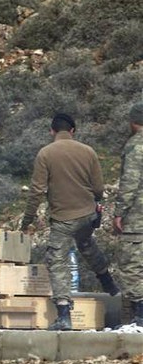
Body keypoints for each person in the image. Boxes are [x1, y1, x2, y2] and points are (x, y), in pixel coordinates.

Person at [21, 113, 119, 331]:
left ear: (52, 131)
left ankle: (64, 313)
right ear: (73, 131)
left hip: (63, 218)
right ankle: (108, 283)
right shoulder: (88, 151)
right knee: (86, 244)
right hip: (87, 215)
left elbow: (37, 191)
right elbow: (98, 190)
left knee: (57, 261)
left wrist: (27, 219)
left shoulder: (45, 153)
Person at [113, 102, 143, 326]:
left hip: (138, 219)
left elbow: (131, 182)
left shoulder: (136, 146)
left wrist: (119, 212)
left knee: (131, 266)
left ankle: (140, 316)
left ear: (134, 122)